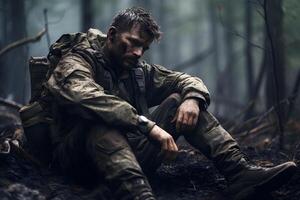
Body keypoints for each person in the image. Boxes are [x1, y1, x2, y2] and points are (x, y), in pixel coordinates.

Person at [20, 7, 297, 200]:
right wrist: (146, 124)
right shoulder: (77, 60)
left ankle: (238, 173)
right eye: (132, 43)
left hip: (130, 156)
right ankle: (138, 195)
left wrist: (192, 99)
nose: (138, 52)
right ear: (113, 33)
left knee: (182, 101)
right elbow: (85, 96)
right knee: (100, 120)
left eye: (144, 48)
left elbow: (186, 79)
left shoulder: (137, 70)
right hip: (77, 162)